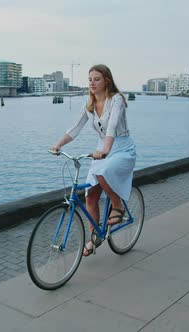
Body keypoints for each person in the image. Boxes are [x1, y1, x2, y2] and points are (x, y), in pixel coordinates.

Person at [51, 64, 136, 257]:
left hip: (121, 149)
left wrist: (105, 149)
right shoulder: (89, 105)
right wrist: (58, 145)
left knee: (101, 171)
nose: (92, 83)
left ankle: (118, 205)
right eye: (90, 79)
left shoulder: (117, 100)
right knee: (90, 196)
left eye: (96, 79)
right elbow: (74, 129)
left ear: (107, 80)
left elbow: (112, 126)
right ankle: (94, 237)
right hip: (102, 150)